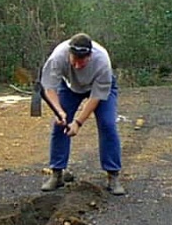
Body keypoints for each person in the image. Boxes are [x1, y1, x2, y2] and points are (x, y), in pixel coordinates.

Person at [39, 32, 125, 195]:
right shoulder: (58, 57)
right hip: (71, 87)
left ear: (90, 56)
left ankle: (113, 175)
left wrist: (78, 122)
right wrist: (59, 112)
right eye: (74, 60)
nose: (77, 65)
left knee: (107, 124)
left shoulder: (102, 61)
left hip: (97, 89)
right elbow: (49, 88)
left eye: (82, 61)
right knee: (59, 126)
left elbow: (96, 97)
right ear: (69, 54)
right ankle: (57, 173)